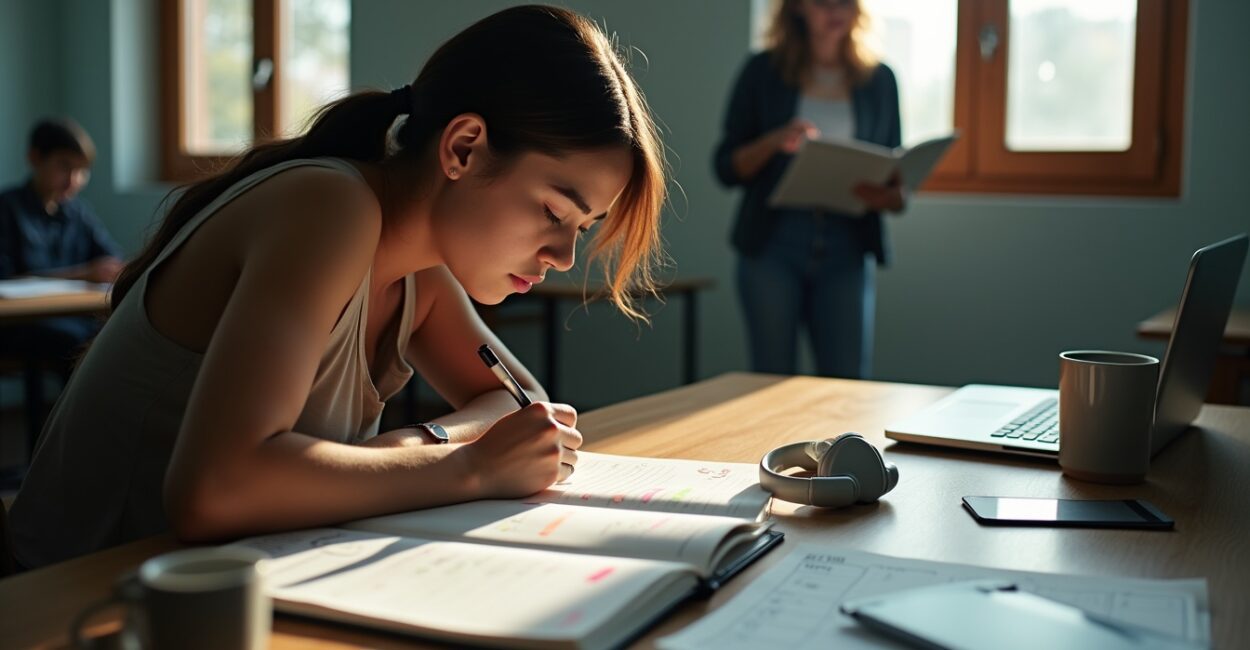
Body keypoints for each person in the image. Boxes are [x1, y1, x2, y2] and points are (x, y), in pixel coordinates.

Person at [9, 4, 667, 570]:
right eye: (555, 212)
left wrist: (408, 448)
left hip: (222, 582)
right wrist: (469, 468)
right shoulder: (330, 206)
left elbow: (517, 404)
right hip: (75, 597)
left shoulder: (422, 268)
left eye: (584, 227)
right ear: (463, 148)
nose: (561, 255)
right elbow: (216, 490)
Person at [713, 0, 904, 379]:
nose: (834, 10)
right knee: (770, 379)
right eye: (822, 2)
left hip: (848, 244)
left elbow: (895, 178)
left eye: (845, 2)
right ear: (798, 7)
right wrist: (774, 141)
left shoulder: (880, 80)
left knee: (847, 383)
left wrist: (890, 197)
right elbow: (725, 166)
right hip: (773, 243)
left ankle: (840, 445)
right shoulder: (763, 71)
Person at [0, 118, 124, 369]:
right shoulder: (7, 208)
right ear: (35, 158)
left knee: (119, 331)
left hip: (68, 315)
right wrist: (84, 273)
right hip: (18, 324)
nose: (74, 180)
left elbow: (110, 260)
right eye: (65, 167)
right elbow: (5, 280)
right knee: (77, 341)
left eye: (82, 171)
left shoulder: (77, 212)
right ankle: (75, 409)